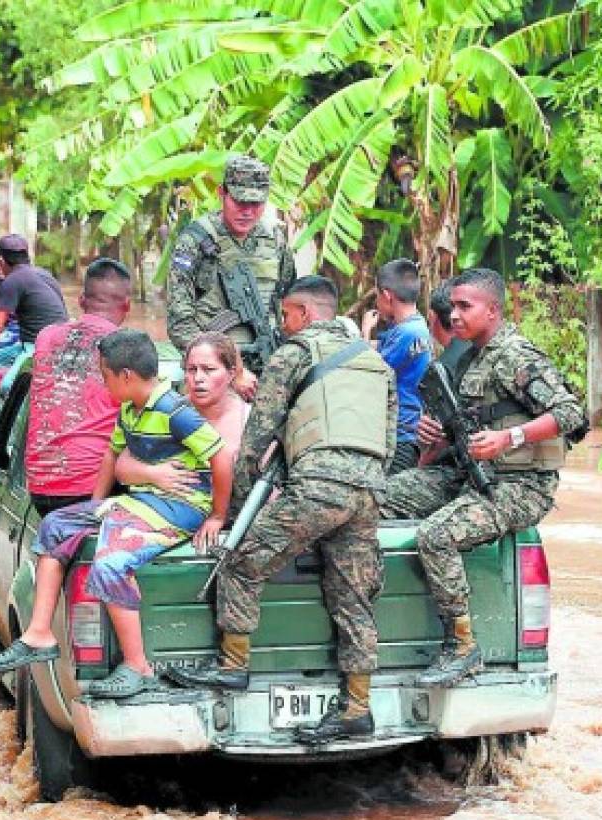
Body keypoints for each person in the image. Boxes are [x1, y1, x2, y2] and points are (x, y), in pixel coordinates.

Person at [170, 275, 397, 746]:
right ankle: (357, 707)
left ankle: (233, 666)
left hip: (317, 488)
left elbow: (255, 442)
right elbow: (390, 438)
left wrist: (233, 515)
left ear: (306, 314)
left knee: (240, 561)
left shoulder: (292, 355)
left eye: (287, 315)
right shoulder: (377, 362)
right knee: (352, 595)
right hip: (368, 490)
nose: (282, 323)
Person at [0, 329, 233, 700]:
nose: (103, 385)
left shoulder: (174, 411)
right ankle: (39, 632)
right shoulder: (130, 410)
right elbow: (111, 455)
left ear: (126, 377)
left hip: (180, 508)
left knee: (112, 562)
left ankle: (138, 666)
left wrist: (216, 516)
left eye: (105, 376)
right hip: (143, 501)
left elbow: (221, 456)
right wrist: (95, 505)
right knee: (55, 527)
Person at [381, 268, 587, 688]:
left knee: (436, 535)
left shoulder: (515, 356)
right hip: (466, 473)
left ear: (492, 311)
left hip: (520, 485)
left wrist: (508, 438)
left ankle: (462, 646)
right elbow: (465, 429)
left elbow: (572, 415)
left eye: (464, 307)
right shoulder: (467, 357)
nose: (454, 315)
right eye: (452, 307)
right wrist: (435, 439)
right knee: (379, 495)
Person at [166, 154, 295, 397]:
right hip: (209, 373)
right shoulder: (195, 241)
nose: (247, 212)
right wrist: (232, 371)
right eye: (239, 202)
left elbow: (290, 304)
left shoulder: (275, 240)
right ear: (221, 193)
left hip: (266, 363)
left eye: (256, 204)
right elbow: (179, 322)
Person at [25, 258, 133, 517]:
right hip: (92, 489)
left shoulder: (46, 337)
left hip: (40, 488)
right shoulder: (126, 349)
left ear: (82, 301)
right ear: (127, 306)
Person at [114, 331, 250, 499]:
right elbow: (122, 466)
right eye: (191, 370)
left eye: (209, 369)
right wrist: (153, 474)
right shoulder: (169, 409)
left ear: (231, 373)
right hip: (166, 510)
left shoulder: (251, 420)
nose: (198, 378)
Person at [0, 233, 68, 392]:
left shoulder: (12, 281)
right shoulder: (44, 274)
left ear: (2, 260)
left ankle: (20, 416)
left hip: (40, 346)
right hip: (49, 342)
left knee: (7, 386)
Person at [361, 259, 432, 474]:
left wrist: (365, 333)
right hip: (403, 432)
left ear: (387, 295)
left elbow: (370, 373)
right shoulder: (412, 327)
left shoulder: (407, 333)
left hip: (401, 435)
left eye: (377, 297)